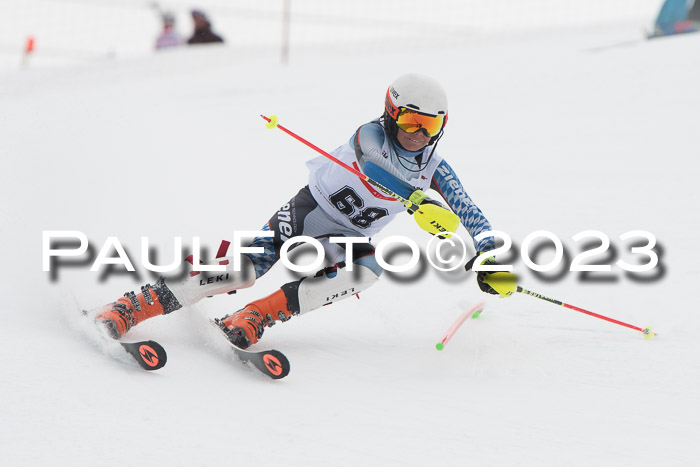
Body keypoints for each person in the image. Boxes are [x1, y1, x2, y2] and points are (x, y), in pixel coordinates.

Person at [94, 73, 513, 349]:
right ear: (391, 113)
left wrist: (489, 254)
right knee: (246, 270)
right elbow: (372, 167)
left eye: (430, 126)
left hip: (345, 239)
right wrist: (416, 199)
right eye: (409, 122)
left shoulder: (436, 169)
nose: (418, 135)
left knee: (369, 271)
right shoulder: (370, 135)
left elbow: (470, 211)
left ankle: (255, 315)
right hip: (307, 212)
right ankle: (136, 305)